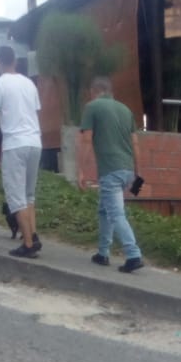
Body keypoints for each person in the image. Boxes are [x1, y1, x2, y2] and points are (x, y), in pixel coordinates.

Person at [0, 45, 42, 259]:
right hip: (35, 143)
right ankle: (33, 235)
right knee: (29, 195)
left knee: (16, 196)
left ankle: (28, 244)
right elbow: (36, 112)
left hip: (15, 144)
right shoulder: (29, 84)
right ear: (15, 61)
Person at [78, 77, 143, 274]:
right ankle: (103, 253)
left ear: (93, 91)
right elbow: (135, 143)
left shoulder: (92, 107)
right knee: (104, 210)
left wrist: (81, 171)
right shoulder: (126, 110)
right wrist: (138, 173)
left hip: (110, 171)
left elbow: (86, 140)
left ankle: (133, 254)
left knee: (116, 214)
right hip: (127, 170)